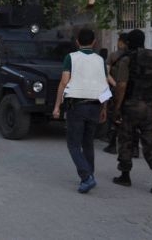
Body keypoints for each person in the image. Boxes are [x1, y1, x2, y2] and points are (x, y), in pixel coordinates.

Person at [111, 29, 152, 194]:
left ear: (129, 43)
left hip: (131, 107)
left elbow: (122, 86)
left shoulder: (127, 59)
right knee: (150, 142)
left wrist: (117, 107)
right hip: (150, 107)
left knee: (125, 139)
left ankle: (125, 176)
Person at [52, 28, 109, 194]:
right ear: (94, 42)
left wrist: (57, 106)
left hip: (77, 106)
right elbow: (105, 85)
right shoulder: (100, 60)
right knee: (88, 143)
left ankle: (86, 177)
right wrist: (104, 107)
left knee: (73, 144)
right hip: (95, 105)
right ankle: (89, 174)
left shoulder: (71, 58)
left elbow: (63, 82)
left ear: (77, 41)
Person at [104, 33, 140, 158]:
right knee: (134, 121)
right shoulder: (137, 56)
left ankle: (113, 144)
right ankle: (135, 148)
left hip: (118, 90)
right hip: (134, 93)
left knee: (115, 116)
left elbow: (106, 73)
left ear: (121, 42)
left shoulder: (113, 56)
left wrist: (115, 85)